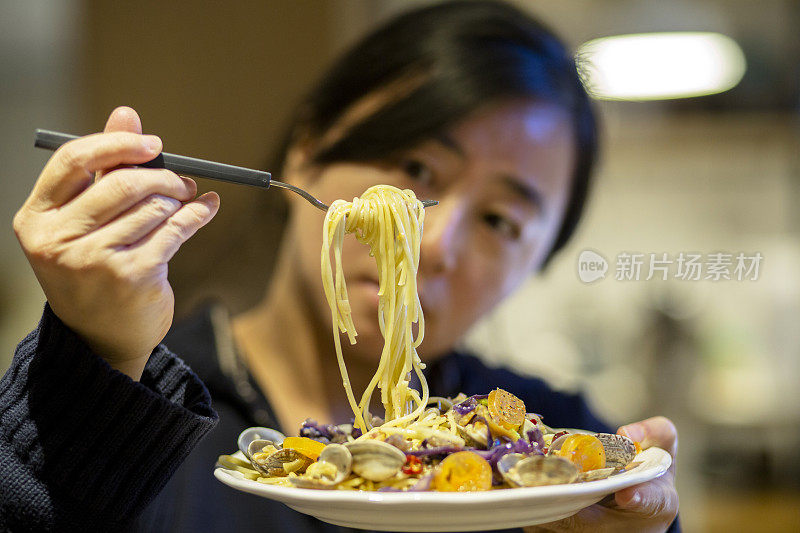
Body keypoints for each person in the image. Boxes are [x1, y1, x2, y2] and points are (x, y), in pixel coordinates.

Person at [1, 1, 679, 531]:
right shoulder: (137, 398)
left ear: (537, 263)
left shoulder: (561, 461)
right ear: (308, 147)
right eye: (415, 169)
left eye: (501, 221)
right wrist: (93, 363)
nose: (435, 241)